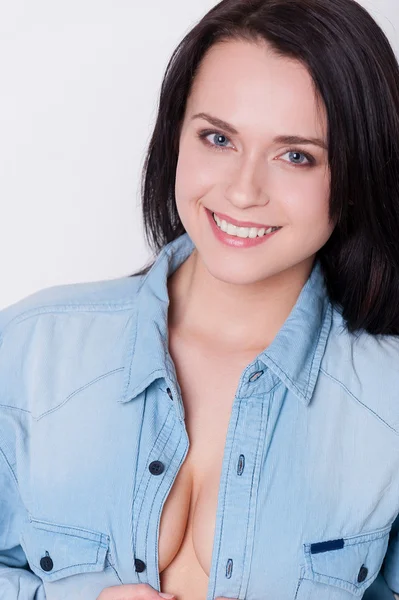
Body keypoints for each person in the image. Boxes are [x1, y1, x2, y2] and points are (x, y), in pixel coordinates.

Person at [1, 0, 399, 599]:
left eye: (297, 156)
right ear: (176, 138)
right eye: (218, 138)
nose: (242, 190)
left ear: (356, 176)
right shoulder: (30, 352)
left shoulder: (388, 398)